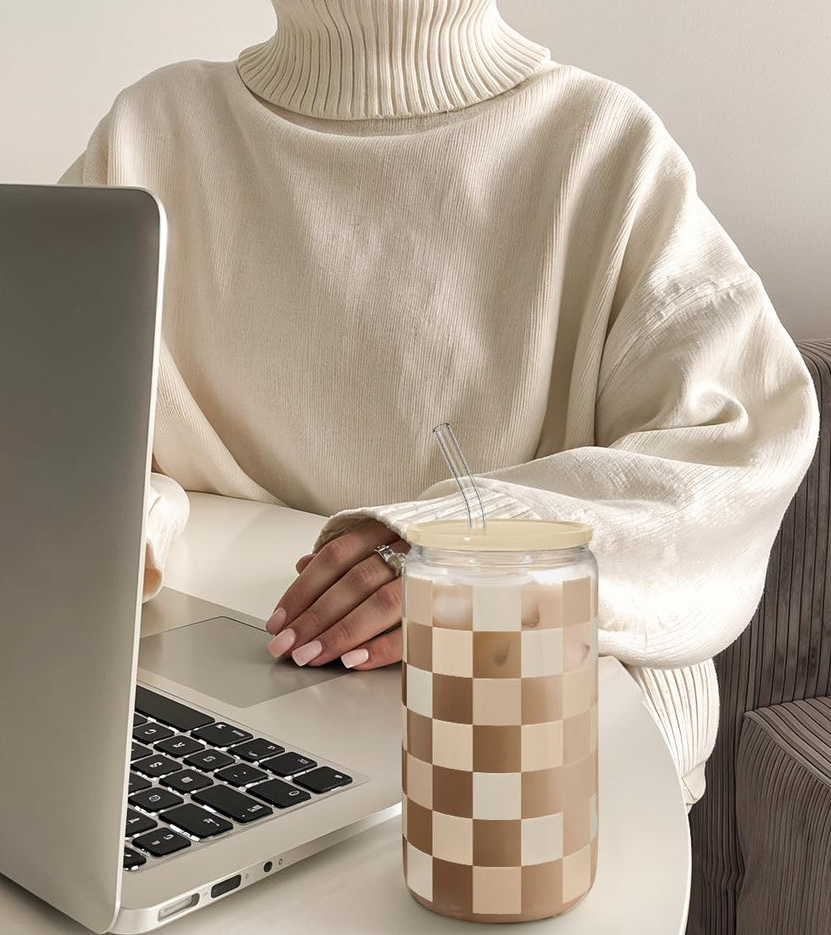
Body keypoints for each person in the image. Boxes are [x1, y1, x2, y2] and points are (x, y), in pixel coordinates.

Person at [58, 0, 818, 807]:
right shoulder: (152, 132)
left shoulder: (598, 140)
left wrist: (474, 550)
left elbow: (739, 449)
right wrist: (118, 525)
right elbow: (31, 415)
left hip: (533, 729)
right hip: (192, 684)